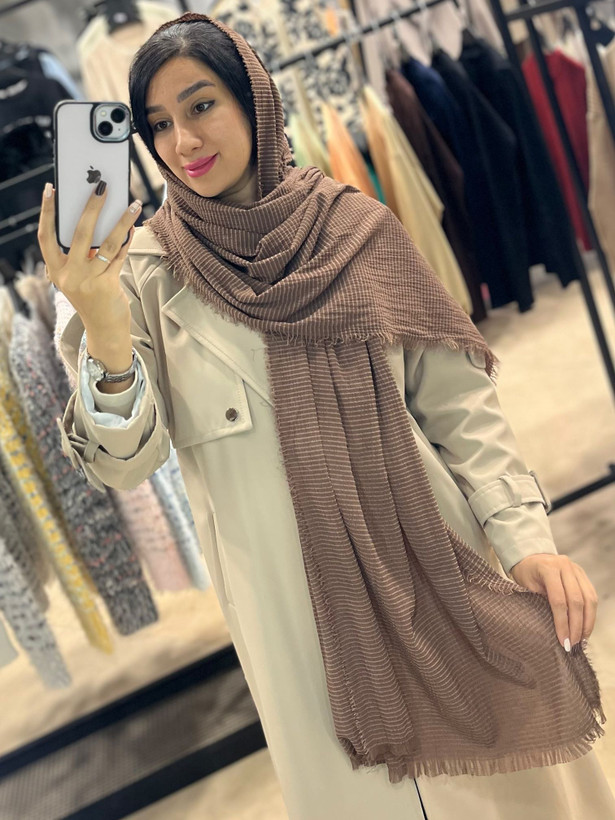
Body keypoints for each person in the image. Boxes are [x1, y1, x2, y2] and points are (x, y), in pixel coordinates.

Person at [39, 13, 615, 820]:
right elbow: (124, 463)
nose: (182, 141)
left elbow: (459, 413)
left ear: (253, 99)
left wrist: (525, 539)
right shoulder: (138, 274)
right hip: (300, 627)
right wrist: (101, 326)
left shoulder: (356, 229)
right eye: (158, 124)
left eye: (201, 105)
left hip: (435, 572)